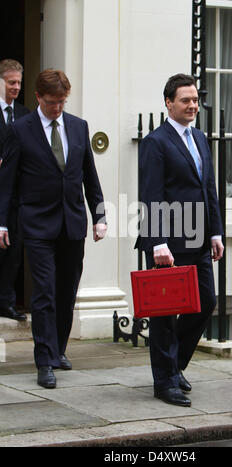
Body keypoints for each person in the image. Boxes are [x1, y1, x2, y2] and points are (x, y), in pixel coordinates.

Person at [0, 69, 106, 389]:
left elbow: (90, 176)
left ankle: (58, 349)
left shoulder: (78, 126)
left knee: (66, 291)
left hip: (73, 223)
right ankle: (44, 360)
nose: (57, 108)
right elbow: (7, 184)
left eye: (61, 102)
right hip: (36, 224)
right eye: (50, 103)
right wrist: (2, 221)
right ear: (37, 98)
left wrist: (99, 216)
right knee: (44, 293)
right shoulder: (20, 130)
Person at [136, 73, 224, 407]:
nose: (192, 105)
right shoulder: (155, 142)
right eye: (185, 100)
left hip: (200, 239)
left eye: (195, 100)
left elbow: (208, 189)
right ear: (168, 103)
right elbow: (151, 194)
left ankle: (175, 366)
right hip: (168, 245)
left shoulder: (199, 138)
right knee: (164, 315)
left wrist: (215, 232)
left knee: (206, 303)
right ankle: (165, 382)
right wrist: (157, 242)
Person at [0, 59, 30, 321]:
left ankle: (7, 301)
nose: (16, 87)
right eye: (11, 82)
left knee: (14, 249)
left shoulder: (24, 114)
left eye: (19, 82)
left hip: (17, 194)